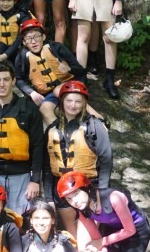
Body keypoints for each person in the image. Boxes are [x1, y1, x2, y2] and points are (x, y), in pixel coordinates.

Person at [43, 80, 112, 230]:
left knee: (91, 233)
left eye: (77, 101)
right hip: (62, 188)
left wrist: (102, 193)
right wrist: (48, 198)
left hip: (89, 187)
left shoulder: (94, 126)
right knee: (72, 232)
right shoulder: (52, 129)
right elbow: (47, 166)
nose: (73, 105)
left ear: (84, 103)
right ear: (61, 102)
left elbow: (106, 160)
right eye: (69, 100)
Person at [0, 61, 44, 214]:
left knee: (21, 217)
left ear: (13, 81)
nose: (2, 84)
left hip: (20, 174)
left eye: (6, 79)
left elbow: (38, 145)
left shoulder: (28, 108)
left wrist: (35, 180)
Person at [14, 18, 86, 125]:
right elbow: (18, 79)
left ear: (43, 37)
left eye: (36, 37)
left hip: (71, 87)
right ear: (24, 42)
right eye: (28, 39)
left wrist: (69, 68)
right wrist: (32, 92)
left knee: (58, 90)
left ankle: (93, 117)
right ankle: (59, 132)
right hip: (48, 93)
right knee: (44, 108)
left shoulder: (56, 47)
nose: (33, 42)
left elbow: (81, 70)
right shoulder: (22, 57)